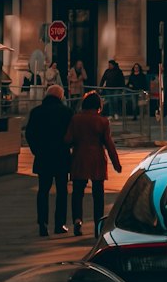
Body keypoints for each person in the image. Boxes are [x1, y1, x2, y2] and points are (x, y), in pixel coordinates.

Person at [65, 90, 121, 236]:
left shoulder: (76, 119)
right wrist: (116, 163)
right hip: (97, 159)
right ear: (98, 105)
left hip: (79, 157)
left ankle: (77, 220)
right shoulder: (102, 121)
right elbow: (109, 144)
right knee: (98, 193)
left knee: (77, 192)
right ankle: (98, 224)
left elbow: (68, 139)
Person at [25, 82, 73, 236]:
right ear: (60, 96)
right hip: (61, 156)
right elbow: (71, 135)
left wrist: (36, 150)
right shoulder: (67, 112)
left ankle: (43, 224)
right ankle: (60, 224)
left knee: (43, 190)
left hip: (43, 156)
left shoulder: (36, 112)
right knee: (62, 191)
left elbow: (29, 133)